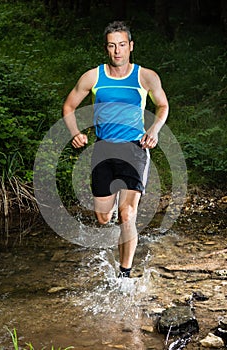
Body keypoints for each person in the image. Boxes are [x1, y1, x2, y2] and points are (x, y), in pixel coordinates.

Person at [63, 21, 169, 278]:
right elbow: (68, 107)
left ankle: (125, 273)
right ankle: (121, 236)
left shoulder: (146, 76)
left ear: (131, 46)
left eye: (122, 45)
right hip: (103, 150)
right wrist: (76, 133)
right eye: (112, 46)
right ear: (106, 48)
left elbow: (162, 106)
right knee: (102, 218)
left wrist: (153, 130)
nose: (117, 51)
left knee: (127, 213)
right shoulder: (93, 77)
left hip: (135, 148)